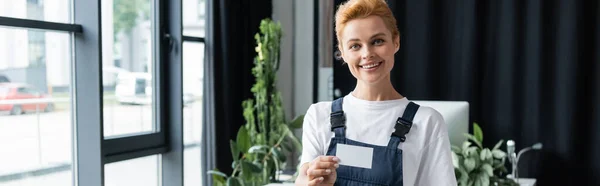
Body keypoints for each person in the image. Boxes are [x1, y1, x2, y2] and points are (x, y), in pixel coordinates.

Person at [294, 0, 456, 185]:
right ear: (343, 52)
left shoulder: (427, 122)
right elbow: (303, 179)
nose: (367, 54)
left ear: (396, 41)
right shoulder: (319, 116)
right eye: (355, 45)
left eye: (377, 41)